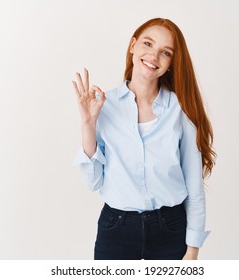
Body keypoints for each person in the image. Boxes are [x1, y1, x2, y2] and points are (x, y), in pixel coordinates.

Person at [72, 18, 216, 260]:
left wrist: (192, 250)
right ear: (133, 46)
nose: (153, 56)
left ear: (171, 63)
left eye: (165, 52)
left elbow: (194, 186)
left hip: (170, 230)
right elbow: (93, 182)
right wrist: (88, 123)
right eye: (147, 44)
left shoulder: (181, 111)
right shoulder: (103, 105)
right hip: (116, 229)